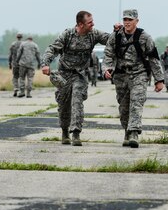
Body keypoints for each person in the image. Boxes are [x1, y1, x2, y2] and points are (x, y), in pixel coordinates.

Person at [41, 10, 119, 146]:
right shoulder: (68, 35)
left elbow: (110, 40)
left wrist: (116, 31)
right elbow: (52, 49)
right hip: (64, 74)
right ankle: (65, 131)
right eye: (90, 22)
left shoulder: (94, 34)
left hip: (80, 74)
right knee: (63, 104)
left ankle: (76, 133)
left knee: (77, 101)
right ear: (80, 24)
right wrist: (45, 64)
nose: (93, 24)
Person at [103, 9, 164, 148]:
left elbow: (154, 58)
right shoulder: (116, 36)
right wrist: (107, 68)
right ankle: (127, 131)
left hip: (139, 74)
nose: (127, 22)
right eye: (125, 19)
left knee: (136, 102)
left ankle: (134, 133)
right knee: (124, 107)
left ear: (137, 21)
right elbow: (108, 54)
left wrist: (159, 80)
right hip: (121, 75)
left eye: (130, 20)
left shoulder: (145, 37)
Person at [8, 32, 23, 97]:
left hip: (14, 63)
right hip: (22, 64)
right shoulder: (23, 44)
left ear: (16, 37)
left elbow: (10, 55)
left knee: (15, 77)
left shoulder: (13, 44)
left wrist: (9, 63)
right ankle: (21, 90)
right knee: (21, 77)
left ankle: (15, 88)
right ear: (21, 37)